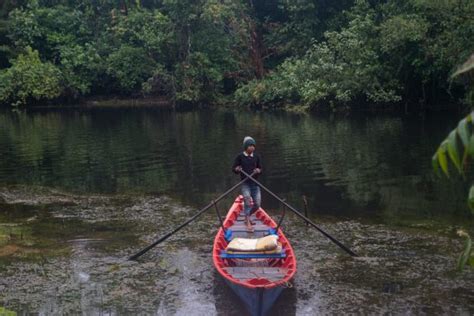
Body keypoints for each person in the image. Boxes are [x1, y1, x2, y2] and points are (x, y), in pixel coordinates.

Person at [232, 136, 262, 232]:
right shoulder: (240, 157)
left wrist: (258, 170)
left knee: (257, 204)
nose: (252, 147)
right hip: (245, 183)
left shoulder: (256, 157)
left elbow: (260, 168)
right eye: (250, 146)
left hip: (255, 184)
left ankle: (247, 216)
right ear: (246, 147)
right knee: (247, 200)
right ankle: (248, 222)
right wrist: (237, 169)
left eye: (253, 146)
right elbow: (234, 168)